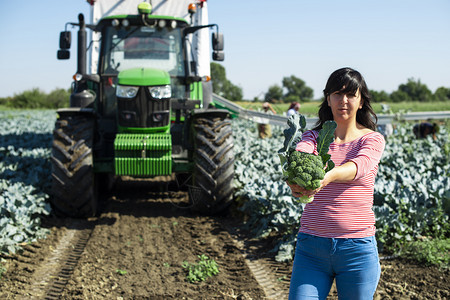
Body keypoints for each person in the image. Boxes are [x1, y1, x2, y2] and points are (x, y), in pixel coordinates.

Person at [287, 67, 386, 299]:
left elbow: (359, 167)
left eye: (351, 94)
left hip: (356, 249)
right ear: (328, 99)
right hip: (311, 248)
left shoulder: (372, 139)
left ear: (361, 101)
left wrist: (327, 176)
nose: (344, 100)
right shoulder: (312, 137)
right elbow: (303, 153)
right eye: (337, 94)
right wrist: (297, 180)